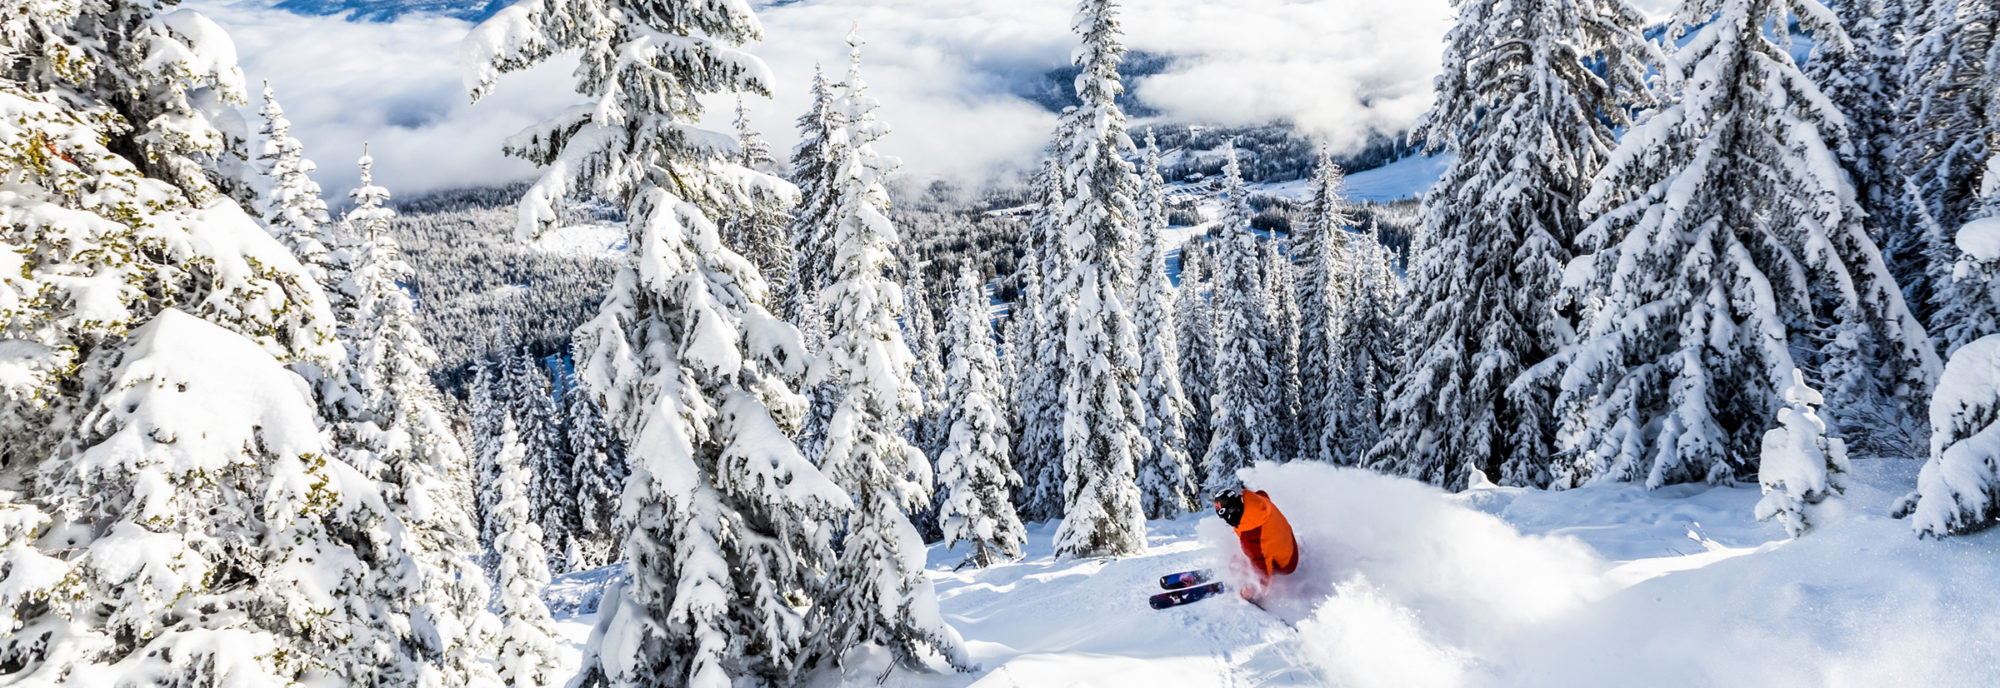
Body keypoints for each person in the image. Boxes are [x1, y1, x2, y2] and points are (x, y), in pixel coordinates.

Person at [1213, 489, 1297, 602]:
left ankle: (1242, 578)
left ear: (1232, 512)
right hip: (1289, 543)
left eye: (1226, 517)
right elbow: (1262, 493)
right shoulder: (1256, 502)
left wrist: (1251, 590)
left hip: (1286, 564)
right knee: (1239, 559)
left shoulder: (1251, 537)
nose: (1227, 522)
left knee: (1238, 564)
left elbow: (1262, 572)